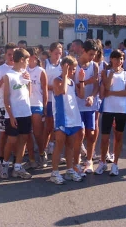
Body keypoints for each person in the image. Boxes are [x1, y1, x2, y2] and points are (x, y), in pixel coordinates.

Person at [50, 56, 85, 184]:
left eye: (73, 69)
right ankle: (54, 173)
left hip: (73, 117)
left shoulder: (71, 81)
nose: (71, 71)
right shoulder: (57, 80)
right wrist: (64, 75)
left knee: (70, 146)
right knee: (59, 145)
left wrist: (81, 81)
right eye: (69, 69)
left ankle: (70, 170)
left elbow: (81, 95)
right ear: (63, 68)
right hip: (61, 118)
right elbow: (62, 91)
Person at [96, 50, 126, 176]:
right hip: (108, 109)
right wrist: (111, 73)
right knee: (105, 138)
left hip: (121, 110)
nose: (119, 61)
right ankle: (102, 162)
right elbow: (107, 86)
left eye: (121, 59)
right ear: (111, 59)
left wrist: (112, 93)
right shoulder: (105, 72)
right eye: (116, 59)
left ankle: (115, 164)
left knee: (119, 137)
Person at [0, 48, 32, 179]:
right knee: (11, 140)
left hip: (26, 112)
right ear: (22, 60)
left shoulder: (25, 73)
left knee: (23, 140)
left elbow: (29, 94)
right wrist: (11, 116)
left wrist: (28, 81)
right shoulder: (8, 75)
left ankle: (17, 166)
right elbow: (6, 97)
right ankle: (4, 164)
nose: (28, 63)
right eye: (27, 60)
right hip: (13, 114)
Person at [74, 39, 99, 174]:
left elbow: (97, 86)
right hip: (77, 105)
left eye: (94, 54)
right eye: (90, 54)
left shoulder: (94, 66)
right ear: (83, 50)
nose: (92, 57)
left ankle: (89, 161)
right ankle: (76, 162)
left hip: (89, 105)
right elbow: (71, 84)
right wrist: (85, 81)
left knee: (91, 134)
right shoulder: (74, 65)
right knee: (79, 134)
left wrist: (92, 96)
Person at [0, 43, 17, 173]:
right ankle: (1, 161)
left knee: (16, 136)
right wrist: (4, 79)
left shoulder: (21, 68)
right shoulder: (0, 69)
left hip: (17, 108)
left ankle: (14, 161)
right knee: (3, 135)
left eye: (14, 54)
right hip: (3, 106)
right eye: (9, 54)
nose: (12, 57)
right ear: (5, 55)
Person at [26, 47, 48, 168]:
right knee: (27, 133)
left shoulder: (40, 71)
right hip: (25, 105)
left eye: (27, 56)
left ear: (34, 57)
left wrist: (45, 107)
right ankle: (31, 158)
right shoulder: (24, 70)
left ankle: (41, 153)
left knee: (38, 133)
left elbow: (45, 91)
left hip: (37, 104)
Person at [42, 42, 63, 158]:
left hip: (58, 99)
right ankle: (43, 149)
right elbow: (43, 84)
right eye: (56, 53)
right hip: (48, 99)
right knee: (48, 126)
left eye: (60, 53)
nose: (58, 55)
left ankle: (51, 144)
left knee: (57, 125)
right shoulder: (45, 64)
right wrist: (54, 87)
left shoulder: (63, 64)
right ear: (50, 52)